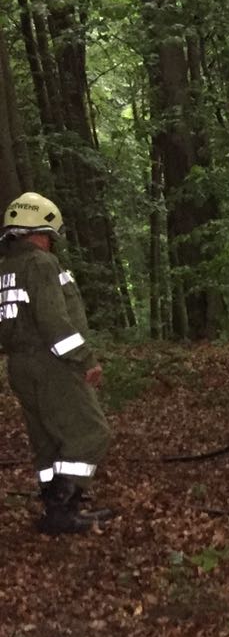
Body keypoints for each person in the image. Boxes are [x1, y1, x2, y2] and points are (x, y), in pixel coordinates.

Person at [0, 192, 114, 534]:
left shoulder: (6, 268)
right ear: (39, 232)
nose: (52, 244)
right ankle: (64, 508)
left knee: (47, 440)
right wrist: (84, 359)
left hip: (20, 365)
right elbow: (53, 320)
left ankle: (56, 509)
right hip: (51, 363)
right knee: (91, 432)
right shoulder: (40, 264)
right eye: (50, 237)